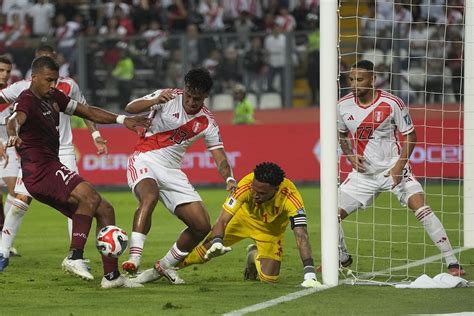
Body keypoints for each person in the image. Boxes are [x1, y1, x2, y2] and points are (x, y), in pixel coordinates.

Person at [3, 55, 149, 288]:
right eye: (49, 80)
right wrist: (13, 133)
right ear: (35, 77)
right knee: (89, 195)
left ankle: (111, 277)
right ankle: (74, 256)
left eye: (55, 80)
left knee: (105, 210)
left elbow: (88, 111)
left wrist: (123, 119)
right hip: (40, 172)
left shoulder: (55, 97)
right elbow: (14, 119)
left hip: (52, 166)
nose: (53, 85)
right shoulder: (27, 99)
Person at [336, 60, 464, 276]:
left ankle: (452, 262)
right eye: (351, 79)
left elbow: (410, 136)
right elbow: (341, 135)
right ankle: (341, 257)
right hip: (363, 175)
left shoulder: (392, 103)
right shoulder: (342, 105)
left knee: (422, 208)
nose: (354, 84)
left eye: (360, 79)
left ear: (373, 79)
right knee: (331, 215)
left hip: (393, 169)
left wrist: (398, 167)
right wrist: (350, 155)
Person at [121, 68, 237, 282]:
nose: (192, 102)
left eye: (198, 99)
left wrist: (229, 178)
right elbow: (129, 108)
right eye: (190, 96)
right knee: (150, 196)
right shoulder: (167, 96)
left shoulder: (207, 122)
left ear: (206, 96)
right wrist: (154, 100)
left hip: (172, 171)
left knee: (201, 225)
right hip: (144, 158)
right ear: (184, 89)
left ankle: (162, 267)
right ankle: (134, 258)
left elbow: (219, 156)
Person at [0, 45, 110, 271]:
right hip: (36, 153)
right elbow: (8, 106)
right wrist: (9, 130)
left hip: (64, 150)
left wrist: (96, 135)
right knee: (21, 201)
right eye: (44, 62)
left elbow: (85, 110)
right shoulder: (24, 88)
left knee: (78, 200)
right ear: (36, 69)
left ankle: (75, 255)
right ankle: (3, 251)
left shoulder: (68, 85)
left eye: (52, 62)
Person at [132, 162, 320, 288]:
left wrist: (309, 273)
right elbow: (222, 220)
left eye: (261, 193)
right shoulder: (245, 187)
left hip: (270, 232)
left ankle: (253, 254)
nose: (255, 195)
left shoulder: (291, 197)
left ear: (276, 189)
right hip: (242, 220)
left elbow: (301, 234)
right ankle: (163, 268)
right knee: (204, 252)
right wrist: (218, 241)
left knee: (269, 279)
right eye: (254, 190)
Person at [0, 55, 21, 257]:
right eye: (1, 70)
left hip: (9, 149)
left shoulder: (14, 93)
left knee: (15, 192)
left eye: (7, 71)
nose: (4, 74)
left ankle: (5, 241)